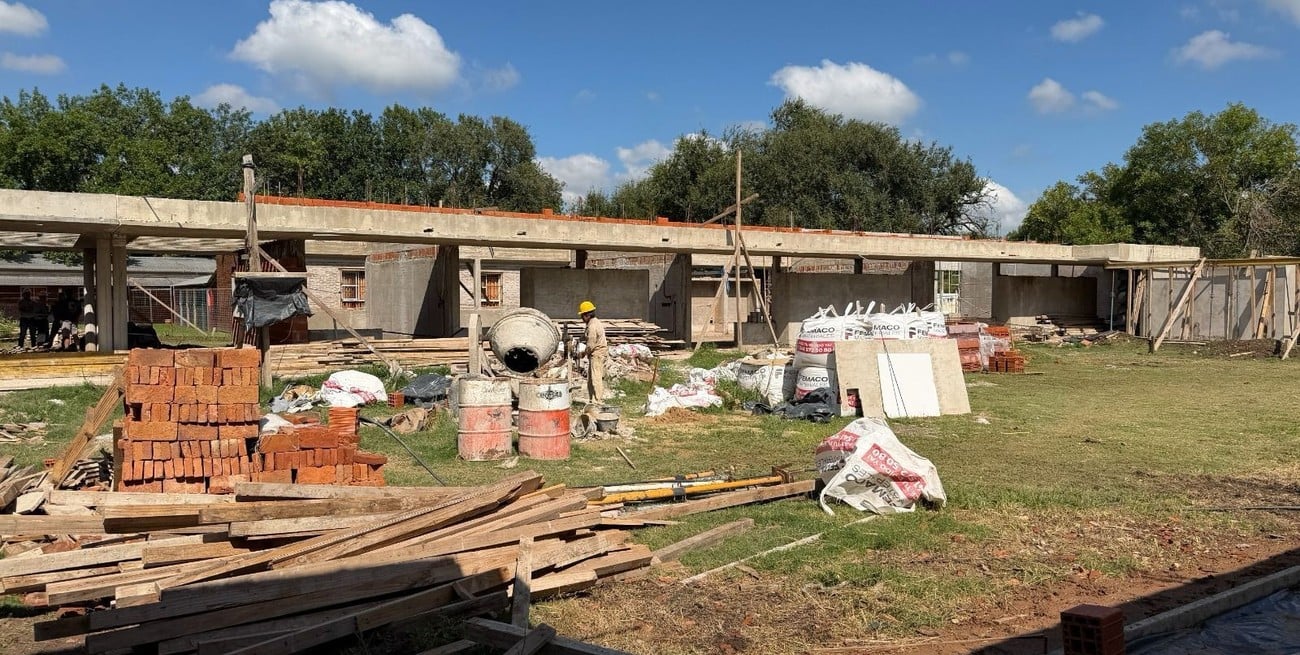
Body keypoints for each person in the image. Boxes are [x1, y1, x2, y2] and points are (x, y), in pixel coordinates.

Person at [578, 300, 608, 403]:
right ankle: (592, 400)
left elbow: (590, 345)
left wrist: (583, 353)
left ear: (587, 315)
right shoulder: (594, 322)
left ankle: (598, 401)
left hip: (597, 354)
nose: (582, 318)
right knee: (590, 379)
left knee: (596, 378)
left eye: (582, 316)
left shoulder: (592, 326)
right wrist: (579, 339)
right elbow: (586, 336)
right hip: (596, 354)